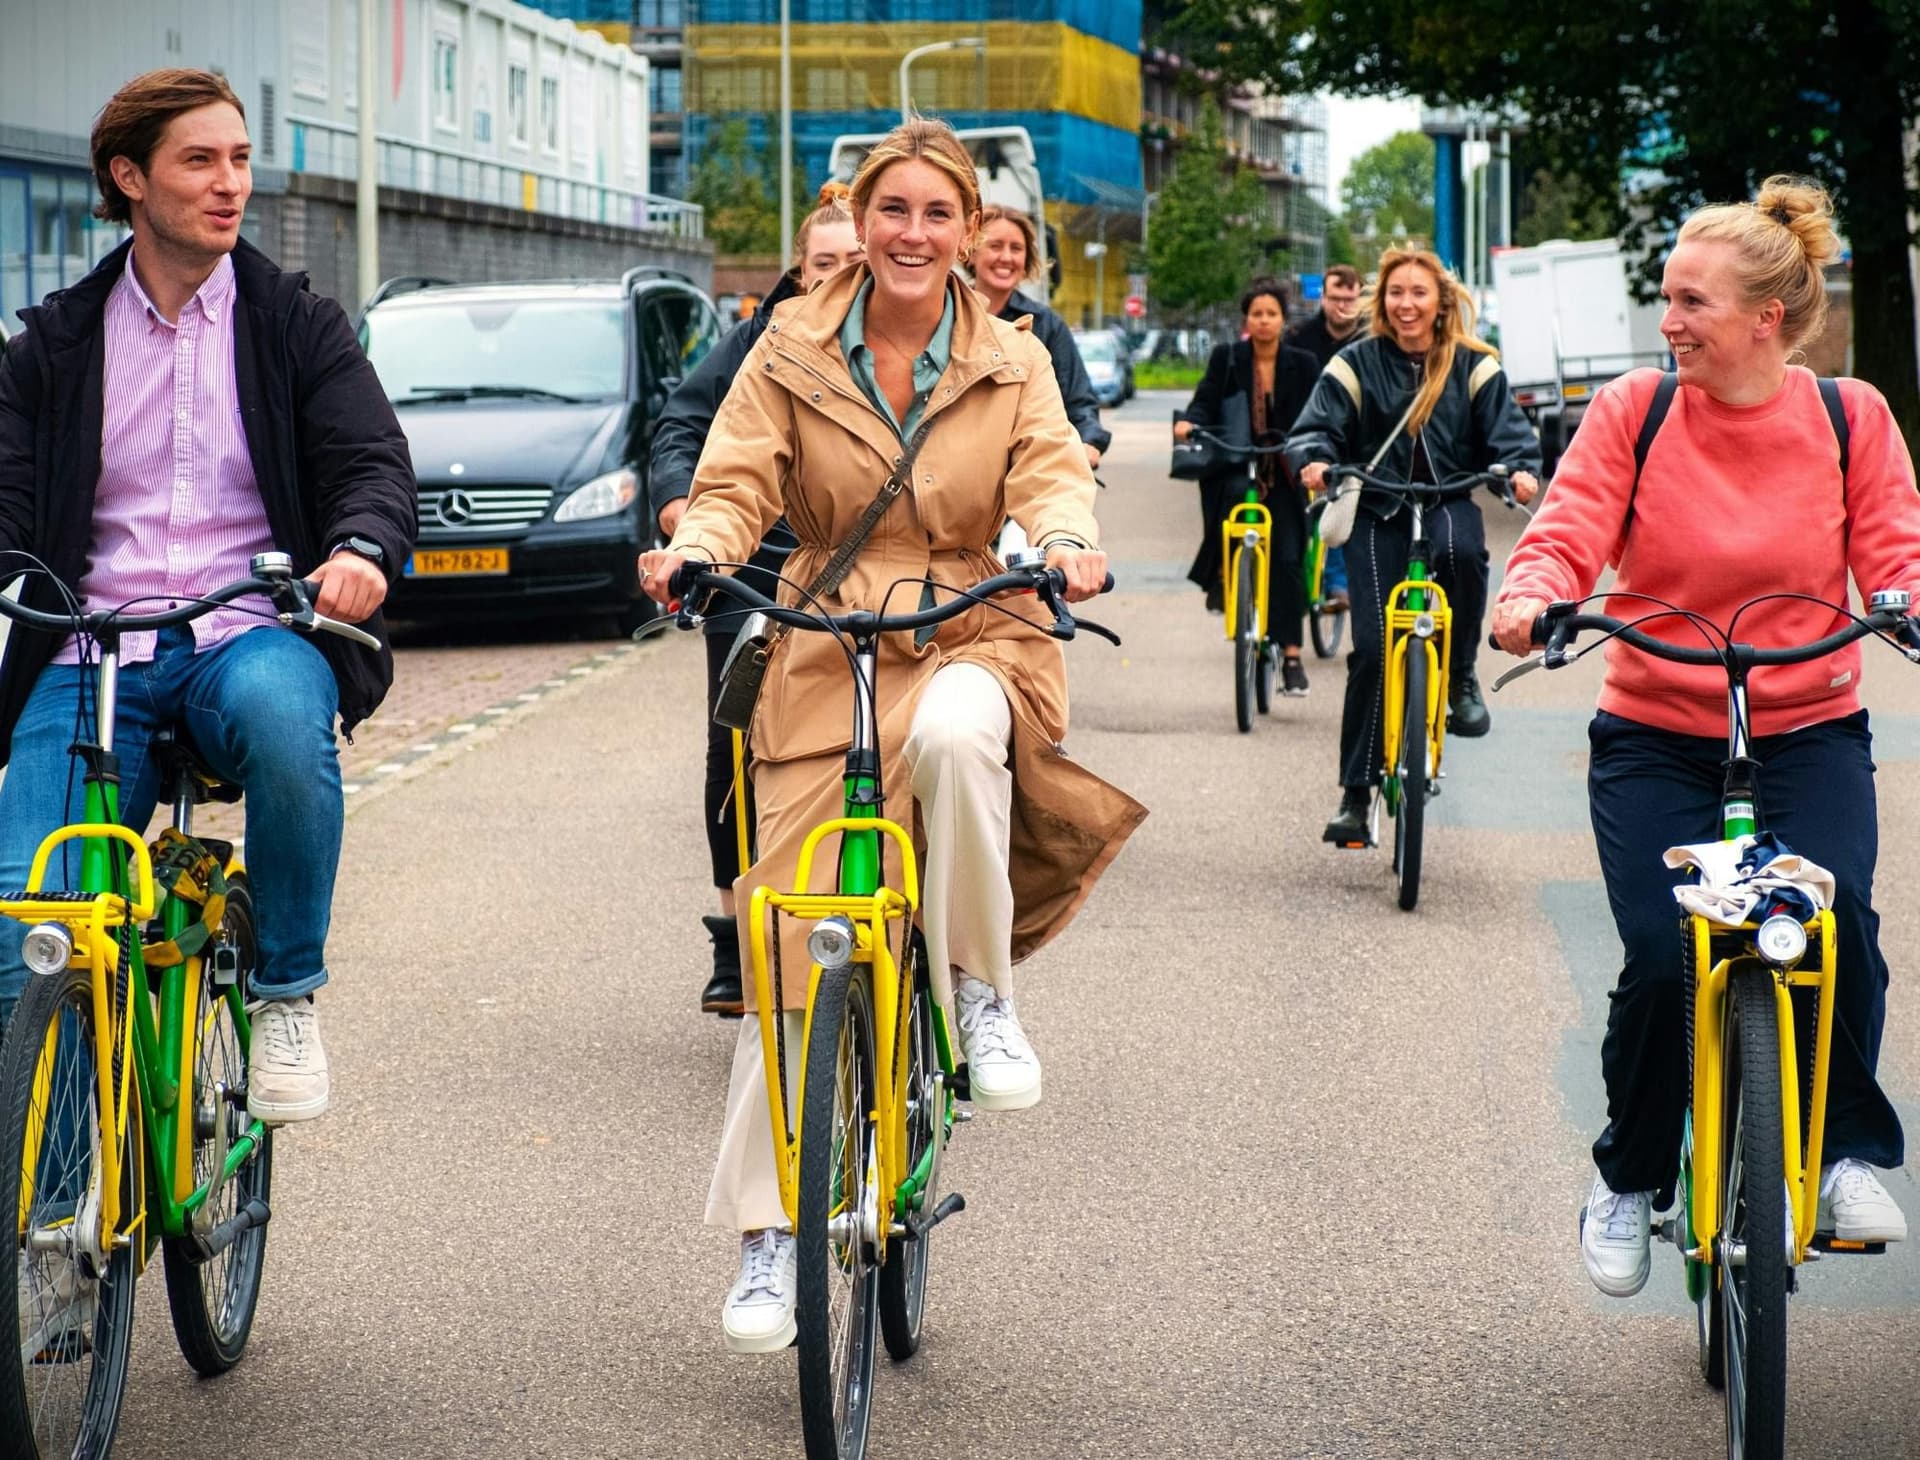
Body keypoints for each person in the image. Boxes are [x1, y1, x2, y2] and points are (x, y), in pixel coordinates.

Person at [637, 116, 1144, 1353]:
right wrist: (701, 549)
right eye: (893, 210)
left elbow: (1051, 474)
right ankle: (771, 1233)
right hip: (826, 638)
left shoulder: (1014, 356)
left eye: (937, 214)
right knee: (795, 945)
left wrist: (1068, 544)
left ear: (971, 234)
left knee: (965, 731)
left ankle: (977, 989)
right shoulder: (788, 345)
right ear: (860, 221)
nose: (913, 234)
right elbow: (735, 478)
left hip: (978, 616)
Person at [1491, 177, 1916, 1296]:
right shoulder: (1635, 410)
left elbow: (1894, 547)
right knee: (1662, 948)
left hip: (1809, 724)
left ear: (1767, 318)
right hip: (1657, 729)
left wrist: (1910, 599)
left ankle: (1840, 1157)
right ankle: (1630, 1175)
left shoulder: (1847, 416)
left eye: (1691, 302)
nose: (1669, 320)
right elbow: (1569, 529)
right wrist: (1532, 595)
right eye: (1667, 300)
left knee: (1840, 922)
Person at [0, 69, 416, 1120]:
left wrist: (362, 545)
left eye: (238, 159)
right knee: (27, 932)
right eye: (200, 160)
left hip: (249, 626)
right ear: (129, 176)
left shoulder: (294, 325)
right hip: (92, 646)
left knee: (288, 725)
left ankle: (283, 991)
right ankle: (52, 1220)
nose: (230, 183)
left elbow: (371, 459)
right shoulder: (53, 344)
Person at [648, 182, 864, 1018]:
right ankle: (738, 932)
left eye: (854, 261)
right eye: (825, 262)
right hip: (752, 566)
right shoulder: (756, 342)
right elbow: (680, 428)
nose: (841, 275)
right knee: (736, 738)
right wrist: (680, 512)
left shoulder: (894, 345)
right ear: (797, 271)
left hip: (860, 572)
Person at [1287, 247, 1541, 844]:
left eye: (1419, 293)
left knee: (1464, 555)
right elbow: (1315, 427)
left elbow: (1509, 435)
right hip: (1378, 508)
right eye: (1396, 292)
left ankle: (1460, 678)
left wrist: (1518, 470)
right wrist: (1315, 460)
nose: (1407, 304)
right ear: (1383, 301)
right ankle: (1355, 795)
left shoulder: (1475, 364)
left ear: (1440, 301)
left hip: (1448, 498)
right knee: (1373, 652)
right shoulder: (1354, 363)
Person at [1174, 278, 1320, 693]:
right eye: (1256, 313)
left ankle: (1291, 656)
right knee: (1231, 506)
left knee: (1289, 560)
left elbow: (1317, 413)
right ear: (1246, 319)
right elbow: (1205, 399)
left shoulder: (1304, 363)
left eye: (1271, 313)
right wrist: (1191, 422)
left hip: (1287, 472)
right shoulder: (1228, 358)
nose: (1263, 321)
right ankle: (1229, 578)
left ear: (1283, 320)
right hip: (1238, 463)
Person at [969, 203, 1112, 469]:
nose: (1006, 257)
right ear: (972, 252)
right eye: (995, 245)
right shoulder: (945, 313)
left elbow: (1078, 401)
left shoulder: (1048, 325)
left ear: (1026, 262)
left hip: (1027, 468)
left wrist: (1088, 442)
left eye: (1016, 248)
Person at [1284, 264, 1365, 607]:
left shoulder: (1371, 339)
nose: (1342, 306)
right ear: (1323, 296)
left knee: (1337, 508)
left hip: (1355, 441)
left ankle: (1337, 585)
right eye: (1335, 298)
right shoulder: (1299, 336)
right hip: (1308, 437)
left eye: (1350, 299)